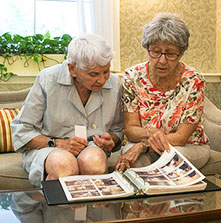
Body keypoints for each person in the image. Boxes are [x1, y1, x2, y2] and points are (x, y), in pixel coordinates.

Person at [11, 33, 123, 187]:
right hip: (48, 148)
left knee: (94, 163)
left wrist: (111, 141)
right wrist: (58, 144)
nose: (102, 80)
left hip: (91, 148)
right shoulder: (47, 79)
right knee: (63, 165)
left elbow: (118, 130)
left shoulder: (115, 84)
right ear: (72, 69)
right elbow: (22, 131)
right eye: (93, 74)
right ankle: (54, 209)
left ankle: (93, 210)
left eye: (106, 71)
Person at [116, 13, 210, 172]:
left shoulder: (194, 81)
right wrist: (147, 139)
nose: (162, 60)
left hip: (187, 146)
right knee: (135, 162)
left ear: (181, 53)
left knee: (171, 159)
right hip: (140, 142)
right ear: (147, 49)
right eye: (155, 51)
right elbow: (131, 130)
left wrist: (144, 145)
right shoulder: (131, 77)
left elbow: (181, 137)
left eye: (171, 54)